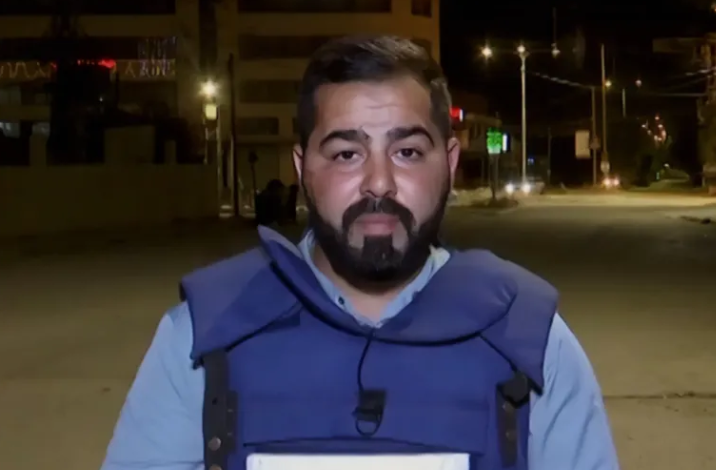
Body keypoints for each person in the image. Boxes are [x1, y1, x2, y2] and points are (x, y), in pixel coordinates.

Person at [101, 36, 619, 470]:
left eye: (407, 152)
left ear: (449, 163)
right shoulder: (199, 337)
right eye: (347, 153)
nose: (379, 182)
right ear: (302, 168)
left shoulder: (533, 341)